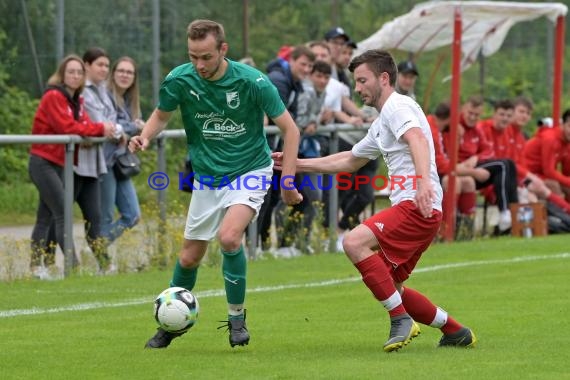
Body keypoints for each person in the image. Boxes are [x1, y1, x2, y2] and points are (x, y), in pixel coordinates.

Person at [273, 49, 476, 352]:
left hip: (416, 205)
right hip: (422, 208)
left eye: (362, 80)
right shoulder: (383, 121)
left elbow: (418, 139)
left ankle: (400, 320)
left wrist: (421, 183)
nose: (357, 88)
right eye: (355, 82)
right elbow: (349, 160)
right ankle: (455, 331)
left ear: (384, 78)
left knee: (354, 243)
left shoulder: (397, 106)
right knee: (390, 286)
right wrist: (297, 163)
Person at [129, 19, 302, 349]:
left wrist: (288, 180)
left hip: (250, 169)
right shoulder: (179, 79)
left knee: (229, 237)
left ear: (223, 49)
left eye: (206, 56)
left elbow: (291, 130)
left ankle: (236, 320)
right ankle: (171, 320)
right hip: (207, 177)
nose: (199, 64)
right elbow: (162, 115)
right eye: (193, 56)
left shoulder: (254, 82)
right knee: (189, 258)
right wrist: (145, 136)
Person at [29, 55, 115, 278]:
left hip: (61, 163)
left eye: (79, 72)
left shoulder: (76, 100)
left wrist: (91, 129)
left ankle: (40, 266)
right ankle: (69, 267)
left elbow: (83, 124)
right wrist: (99, 129)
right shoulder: (54, 96)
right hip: (43, 161)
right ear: (62, 74)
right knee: (62, 212)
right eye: (71, 72)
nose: (75, 76)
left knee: (45, 215)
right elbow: (67, 127)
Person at [444, 95, 518, 233]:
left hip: (472, 169)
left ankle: (511, 215)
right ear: (463, 110)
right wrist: (471, 170)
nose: (473, 117)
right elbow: (445, 158)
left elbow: (488, 150)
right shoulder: (454, 127)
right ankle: (505, 213)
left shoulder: (476, 130)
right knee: (502, 165)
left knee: (508, 164)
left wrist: (475, 158)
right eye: (470, 113)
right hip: (457, 169)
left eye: (477, 115)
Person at [81, 47, 117, 271]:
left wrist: (114, 129)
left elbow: (110, 121)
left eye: (106, 65)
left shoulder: (103, 89)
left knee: (99, 215)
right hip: (78, 161)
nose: (104, 69)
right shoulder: (83, 91)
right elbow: (99, 122)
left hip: (99, 162)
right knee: (57, 215)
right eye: (99, 65)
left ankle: (99, 256)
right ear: (87, 65)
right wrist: (114, 130)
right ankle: (42, 266)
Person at [101, 56, 143, 244]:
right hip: (105, 161)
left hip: (121, 163)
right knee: (106, 215)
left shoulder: (130, 102)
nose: (125, 75)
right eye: (121, 71)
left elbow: (127, 127)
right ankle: (101, 260)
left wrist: (131, 127)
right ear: (113, 73)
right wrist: (134, 126)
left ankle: (96, 246)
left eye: (129, 72)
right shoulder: (104, 95)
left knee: (133, 215)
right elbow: (109, 126)